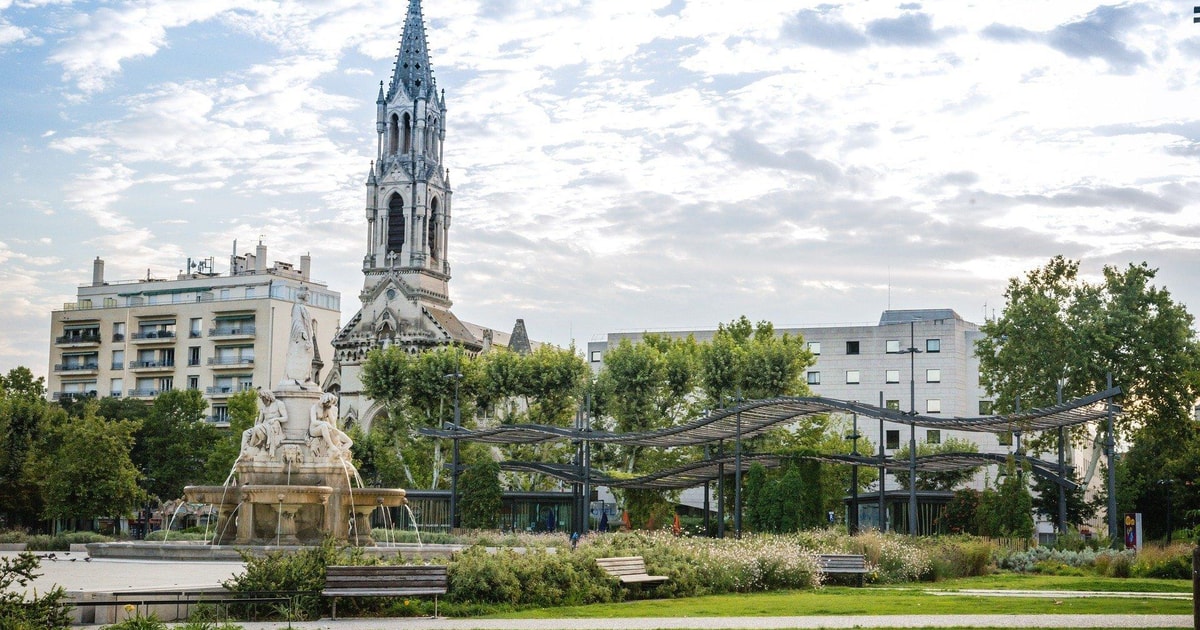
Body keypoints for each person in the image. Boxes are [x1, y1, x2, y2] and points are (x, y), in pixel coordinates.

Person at [283, 288, 316, 387]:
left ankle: (305, 377)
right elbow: (296, 322)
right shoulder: (297, 307)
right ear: (303, 295)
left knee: (308, 356)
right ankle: (297, 378)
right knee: (300, 355)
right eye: (308, 295)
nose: (309, 297)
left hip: (307, 338)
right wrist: (302, 333)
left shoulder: (304, 307)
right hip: (301, 338)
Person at [240, 389, 288, 458]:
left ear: (268, 397)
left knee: (257, 428)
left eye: (263, 399)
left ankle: (252, 448)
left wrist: (276, 419)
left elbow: (285, 418)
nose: (262, 401)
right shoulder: (263, 406)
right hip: (263, 426)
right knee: (245, 433)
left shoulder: (279, 404)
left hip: (273, 427)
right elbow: (260, 420)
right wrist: (257, 424)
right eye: (261, 399)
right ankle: (243, 453)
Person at [308, 392, 353, 458]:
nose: (330, 405)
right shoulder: (314, 407)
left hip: (327, 428)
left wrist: (330, 410)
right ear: (325, 401)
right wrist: (325, 423)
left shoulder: (327, 408)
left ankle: (339, 451)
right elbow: (314, 421)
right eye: (330, 403)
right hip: (314, 429)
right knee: (324, 426)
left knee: (350, 442)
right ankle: (331, 446)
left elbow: (332, 421)